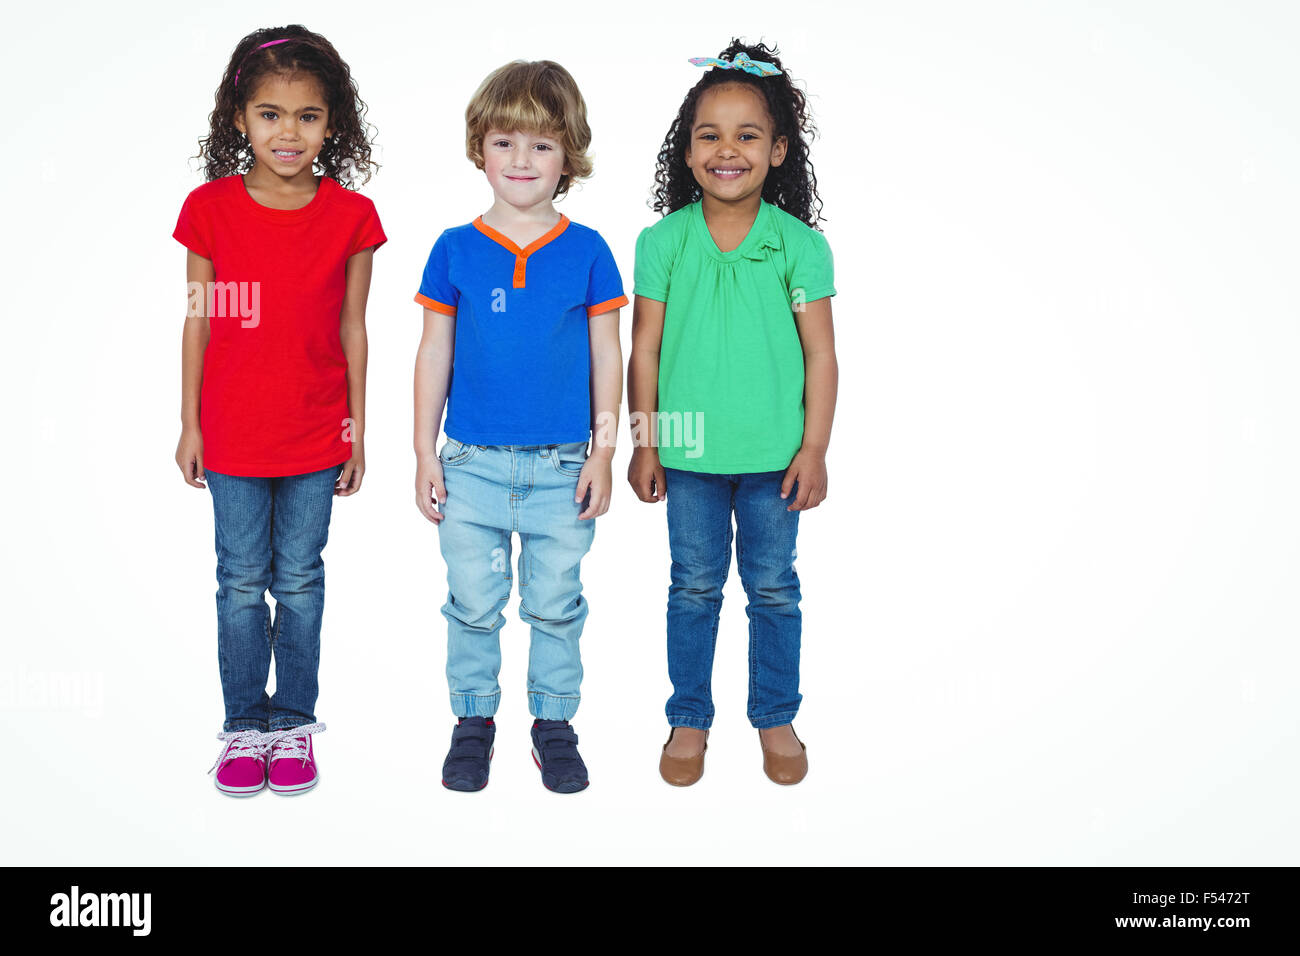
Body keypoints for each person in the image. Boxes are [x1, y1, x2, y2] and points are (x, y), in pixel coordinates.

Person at [173, 25, 386, 796]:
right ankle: (243, 724)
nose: (287, 132)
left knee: (299, 580)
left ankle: (292, 723)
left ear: (332, 124)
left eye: (307, 116)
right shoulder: (209, 209)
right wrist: (190, 422)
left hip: (316, 431)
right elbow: (199, 320)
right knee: (238, 580)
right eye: (269, 114)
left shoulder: (352, 216)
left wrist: (357, 429)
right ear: (239, 118)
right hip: (232, 432)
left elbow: (354, 328)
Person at [628, 40, 838, 786]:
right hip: (687, 456)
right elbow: (644, 349)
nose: (728, 150)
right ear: (686, 152)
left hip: (775, 457)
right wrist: (645, 443)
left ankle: (775, 715)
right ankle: (689, 716)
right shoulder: (662, 242)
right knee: (693, 587)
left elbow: (821, 355)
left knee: (774, 589)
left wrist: (814, 448)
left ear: (777, 150)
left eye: (747, 135)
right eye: (709, 135)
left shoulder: (799, 246)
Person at [413, 59, 625, 793]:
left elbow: (608, 354)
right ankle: (473, 720)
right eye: (504, 141)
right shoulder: (455, 248)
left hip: (563, 466)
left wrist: (605, 451)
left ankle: (553, 724)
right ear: (480, 149)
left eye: (541, 144)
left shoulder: (589, 249)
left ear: (569, 154)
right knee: (472, 604)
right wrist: (424, 452)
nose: (521, 159)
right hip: (469, 464)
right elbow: (433, 351)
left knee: (555, 605)